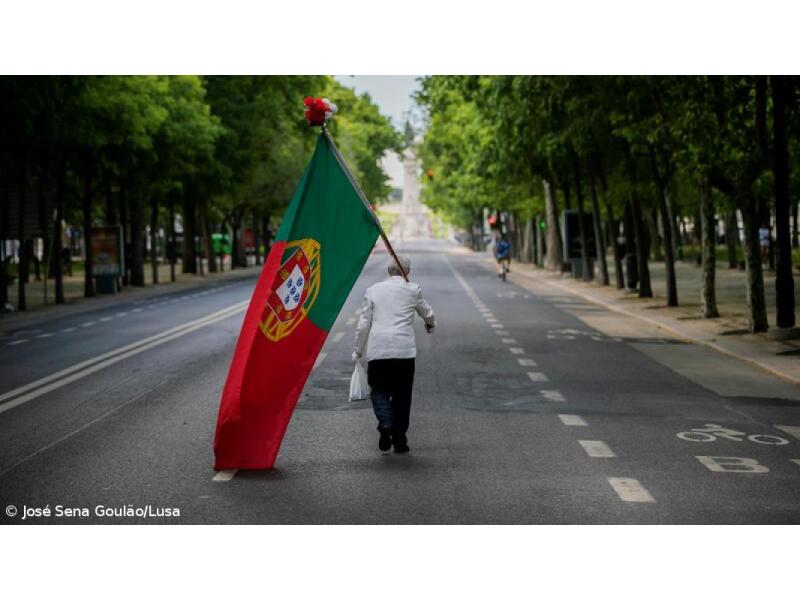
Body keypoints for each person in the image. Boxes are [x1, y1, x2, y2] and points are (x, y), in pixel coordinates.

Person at [353, 256, 436, 454]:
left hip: (379, 351)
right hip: (404, 352)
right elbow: (428, 314)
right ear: (406, 272)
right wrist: (430, 325)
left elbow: (363, 324)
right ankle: (400, 440)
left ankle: (385, 423)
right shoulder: (412, 289)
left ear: (389, 271)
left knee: (379, 391)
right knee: (402, 396)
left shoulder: (373, 290)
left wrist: (358, 350)